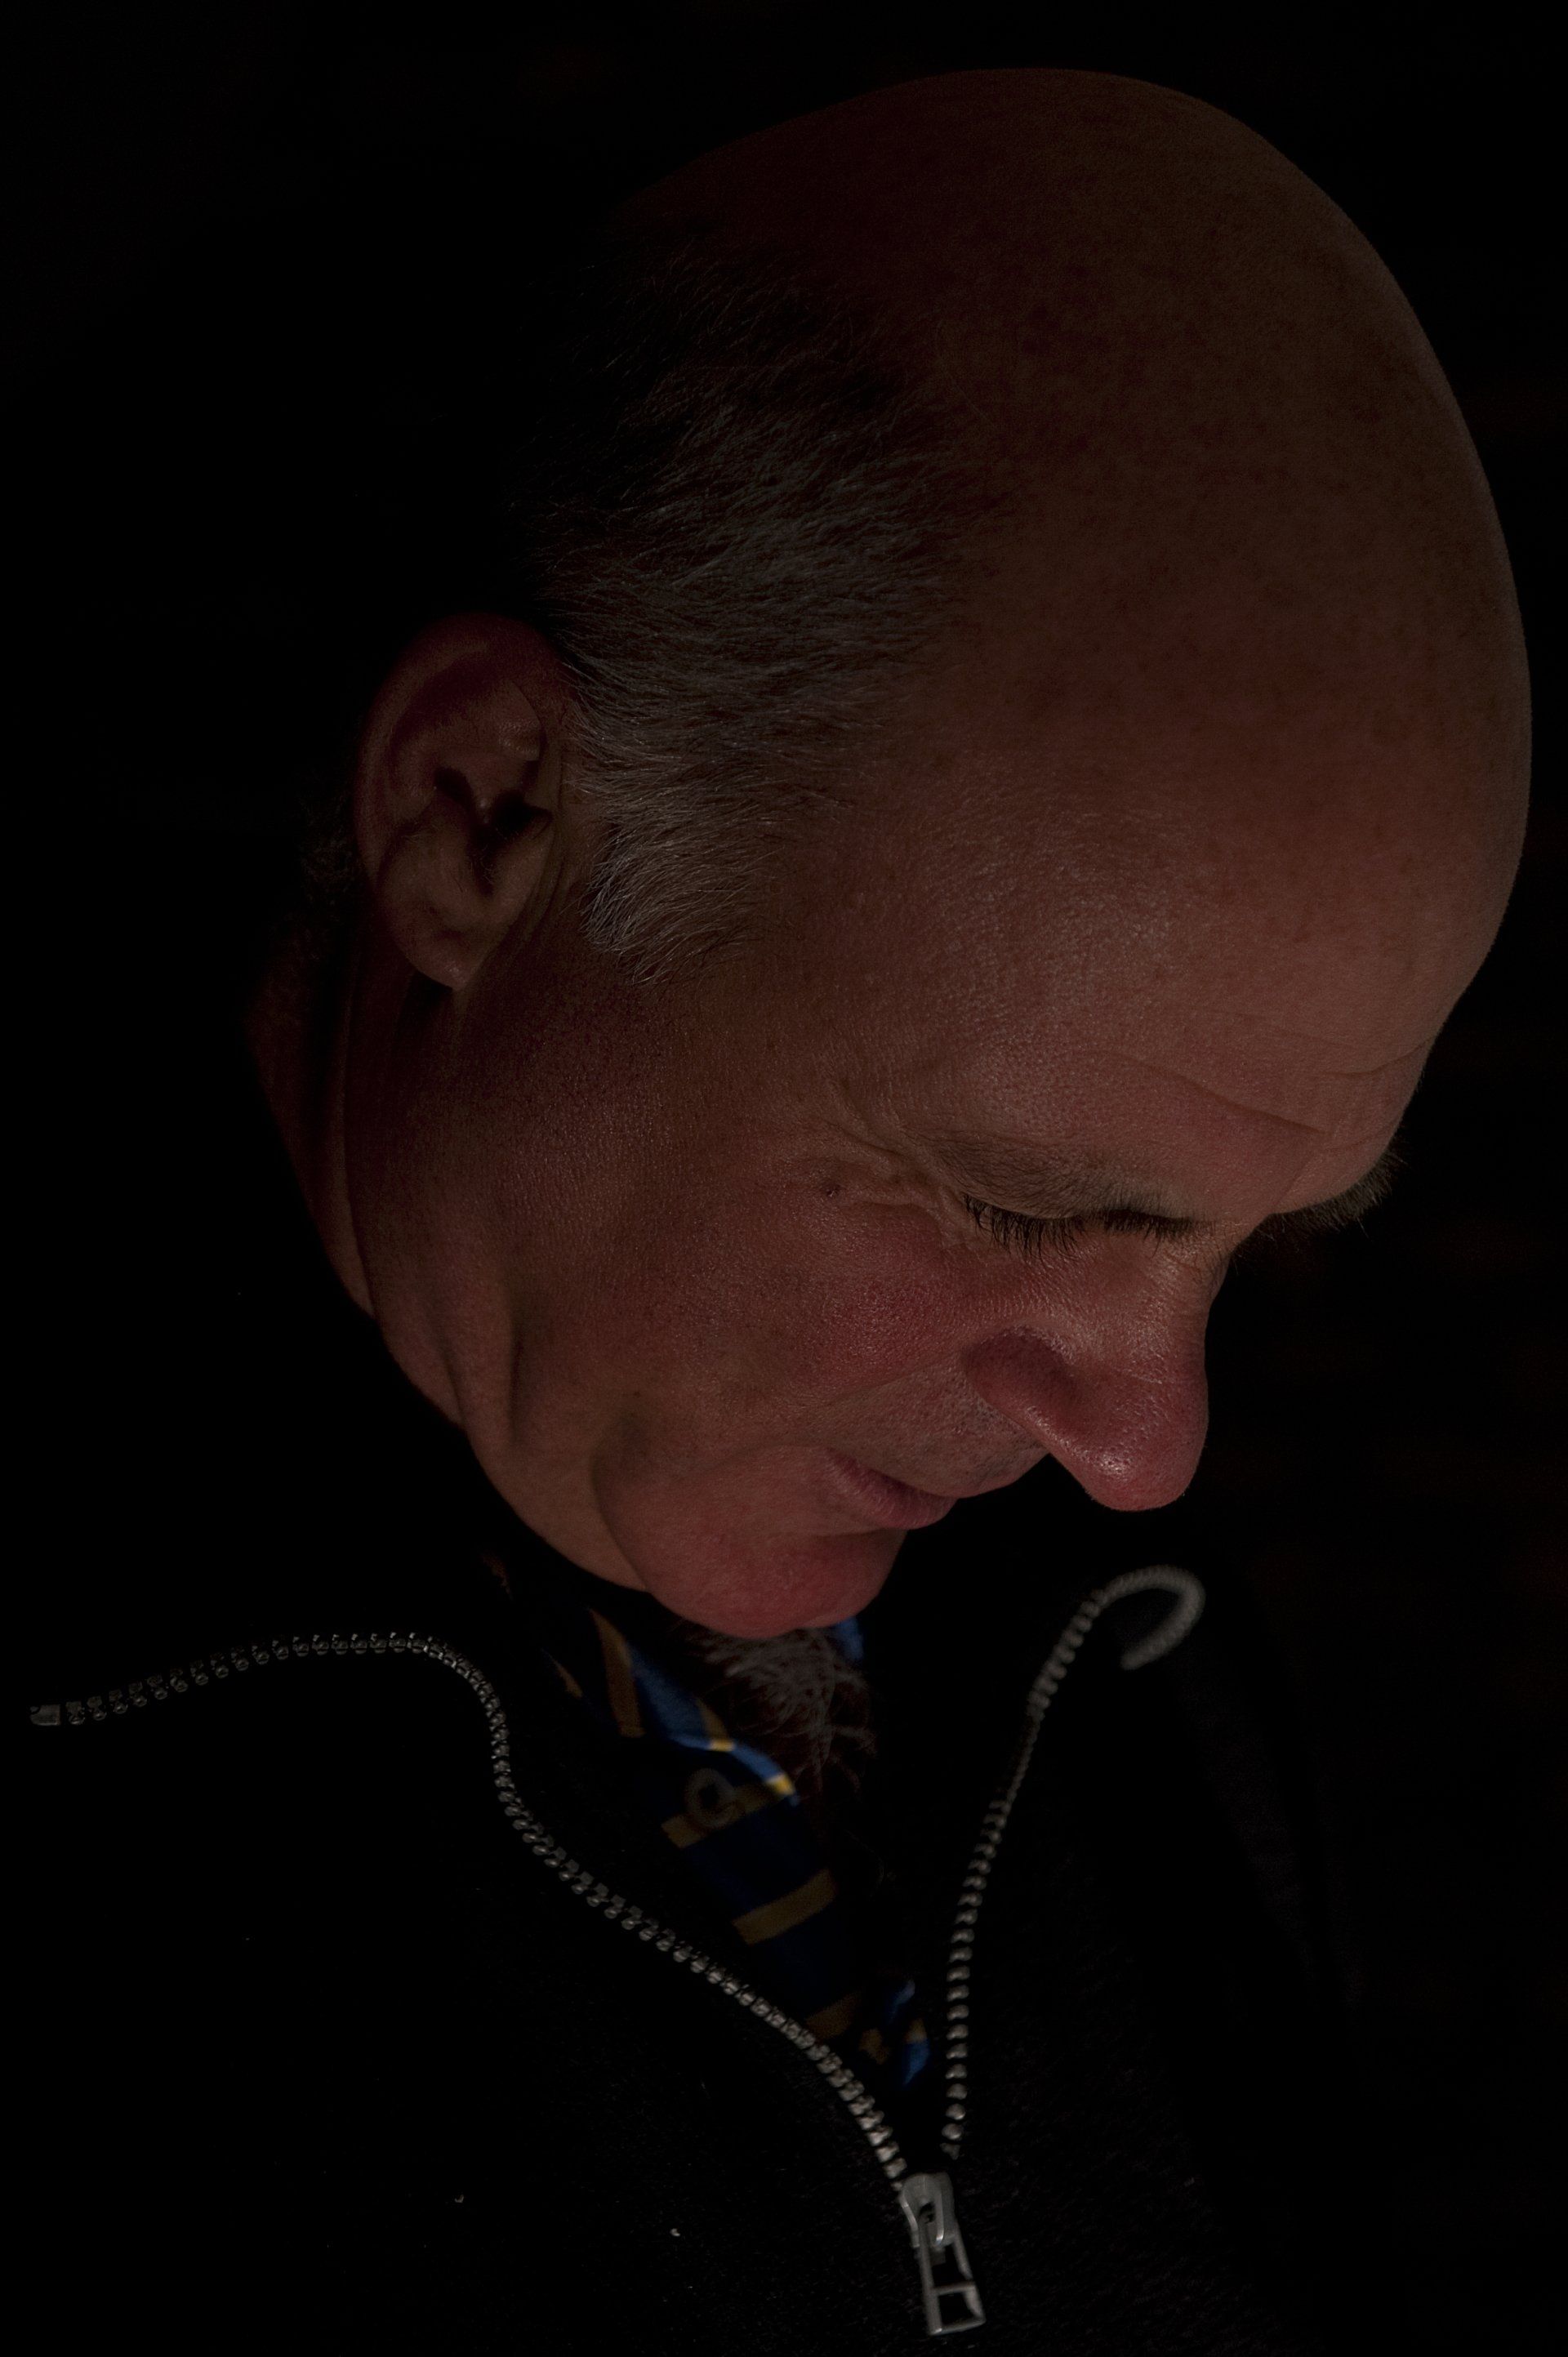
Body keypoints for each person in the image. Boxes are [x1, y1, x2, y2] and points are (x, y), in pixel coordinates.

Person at [24, 65, 1527, 2355]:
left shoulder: (1125, 1658)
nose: (1147, 1450)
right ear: (478, 816)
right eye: (1015, 1207)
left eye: (1258, 1241)